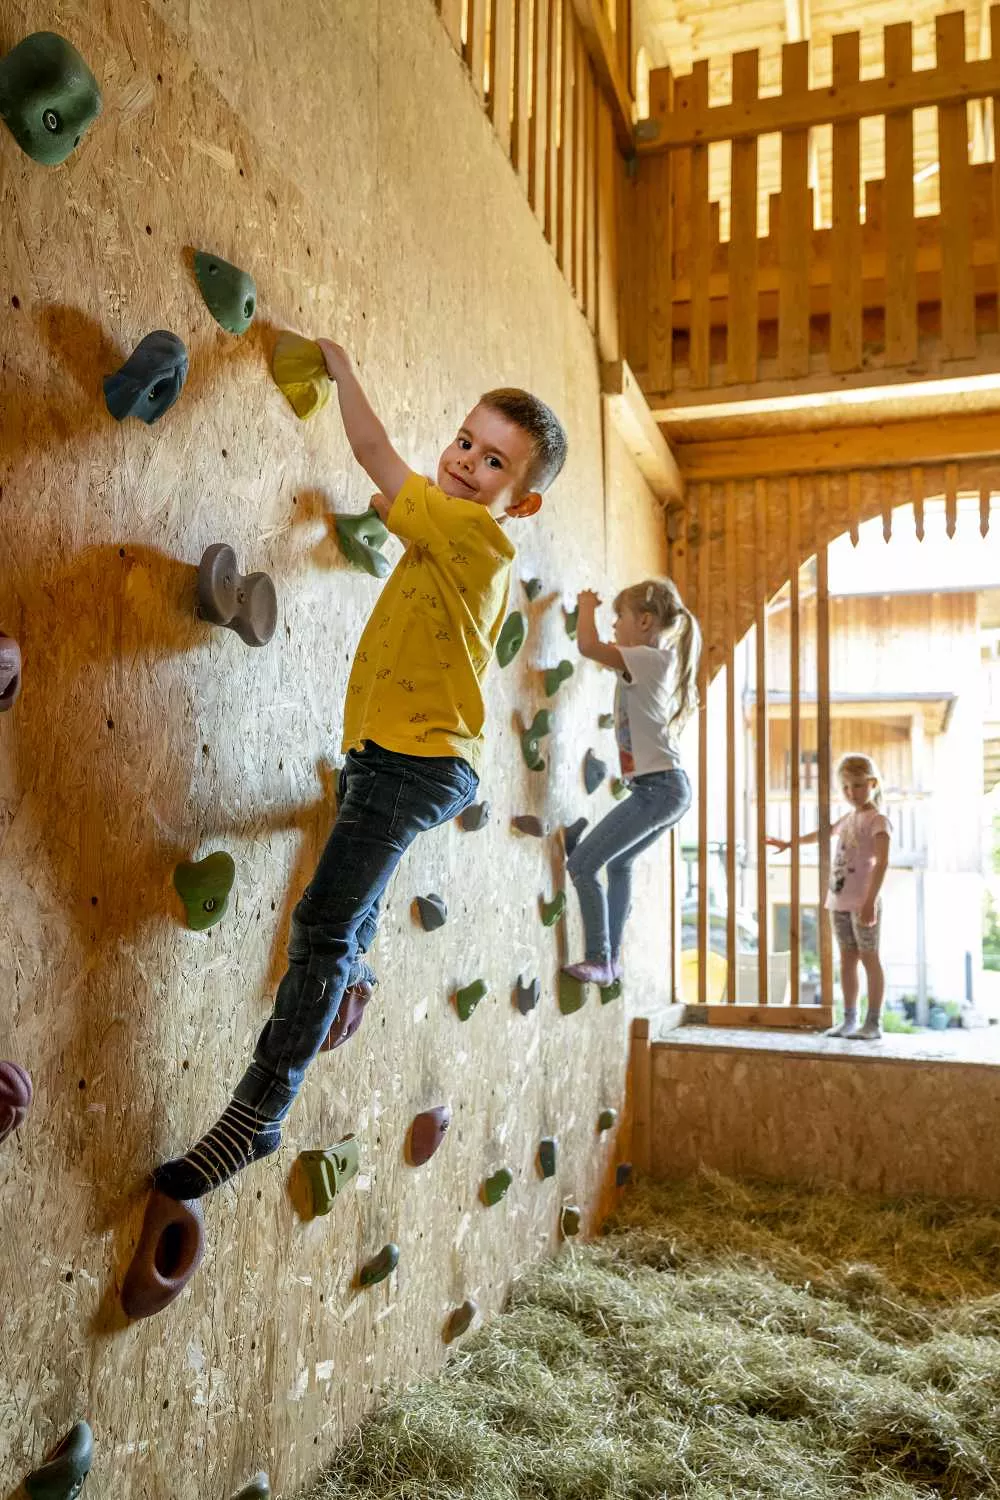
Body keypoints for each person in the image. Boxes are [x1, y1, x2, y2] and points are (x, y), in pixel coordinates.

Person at [154, 345, 567, 1199]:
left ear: (518, 502)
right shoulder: (457, 539)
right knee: (348, 911)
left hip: (413, 763)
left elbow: (379, 459)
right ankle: (352, 982)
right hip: (400, 758)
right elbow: (396, 500)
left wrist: (342, 370)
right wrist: (388, 504)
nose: (464, 461)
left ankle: (258, 1116)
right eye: (463, 440)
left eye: (493, 461)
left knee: (320, 928)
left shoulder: (471, 533)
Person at [562, 579, 700, 986]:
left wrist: (586, 605)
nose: (614, 625)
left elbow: (588, 646)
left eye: (618, 617)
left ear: (644, 620)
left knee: (583, 866)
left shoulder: (646, 657)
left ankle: (600, 958)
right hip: (665, 788)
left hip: (660, 788)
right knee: (619, 864)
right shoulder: (650, 660)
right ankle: (612, 960)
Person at [767, 752, 891, 1040]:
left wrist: (870, 902)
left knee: (869, 958)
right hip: (839, 902)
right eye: (846, 787)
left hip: (864, 903)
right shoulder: (848, 818)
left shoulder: (878, 820)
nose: (852, 793)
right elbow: (823, 833)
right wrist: (789, 843)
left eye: (858, 785)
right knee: (846, 959)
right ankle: (849, 1019)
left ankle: (873, 1023)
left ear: (872, 783)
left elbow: (882, 862)